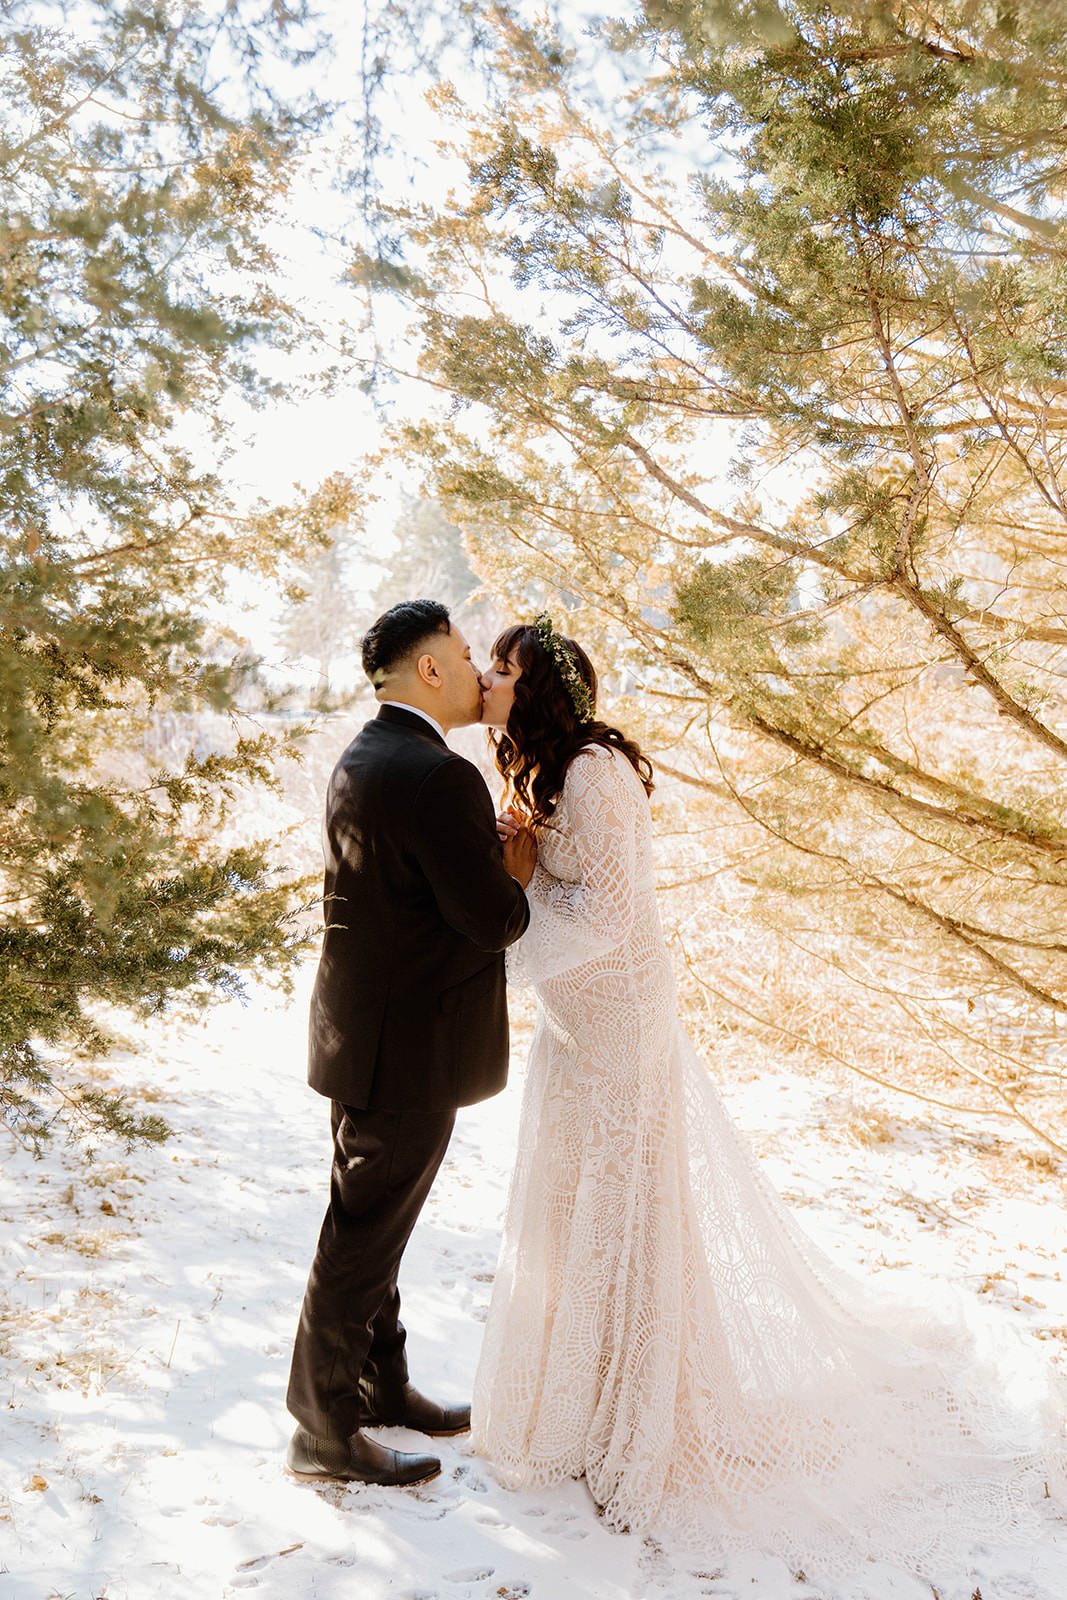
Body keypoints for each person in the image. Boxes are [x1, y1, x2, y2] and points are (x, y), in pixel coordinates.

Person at [473, 613, 1065, 1583]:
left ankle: (631, 1413)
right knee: (575, 1206)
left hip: (618, 1021)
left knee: (619, 1209)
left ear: (539, 688)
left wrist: (526, 882)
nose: (491, 679)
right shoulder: (544, 770)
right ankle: (577, 1405)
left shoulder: (592, 774)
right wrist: (526, 867)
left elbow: (614, 915)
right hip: (577, 1021)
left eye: (502, 667)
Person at [286, 599, 536, 1489]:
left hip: (361, 1036)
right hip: (408, 1049)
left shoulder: (365, 753)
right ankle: (320, 1433)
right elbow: (493, 921)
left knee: (371, 1231)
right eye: (468, 657)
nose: (480, 673)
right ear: (430, 669)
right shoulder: (436, 776)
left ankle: (379, 1388)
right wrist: (519, 861)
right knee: (360, 1239)